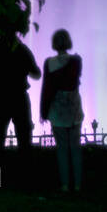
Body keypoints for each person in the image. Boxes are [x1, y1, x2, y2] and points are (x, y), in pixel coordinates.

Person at [0, 27, 40, 153]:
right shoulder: (22, 50)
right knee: (24, 139)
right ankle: (25, 170)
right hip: (19, 97)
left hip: (0, 97)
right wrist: (22, 67)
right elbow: (36, 74)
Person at [40, 29, 83, 191]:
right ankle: (78, 184)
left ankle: (65, 185)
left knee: (62, 149)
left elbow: (47, 89)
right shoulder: (77, 61)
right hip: (74, 109)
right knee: (75, 148)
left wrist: (43, 112)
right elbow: (77, 80)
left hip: (57, 110)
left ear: (54, 44)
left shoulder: (49, 63)